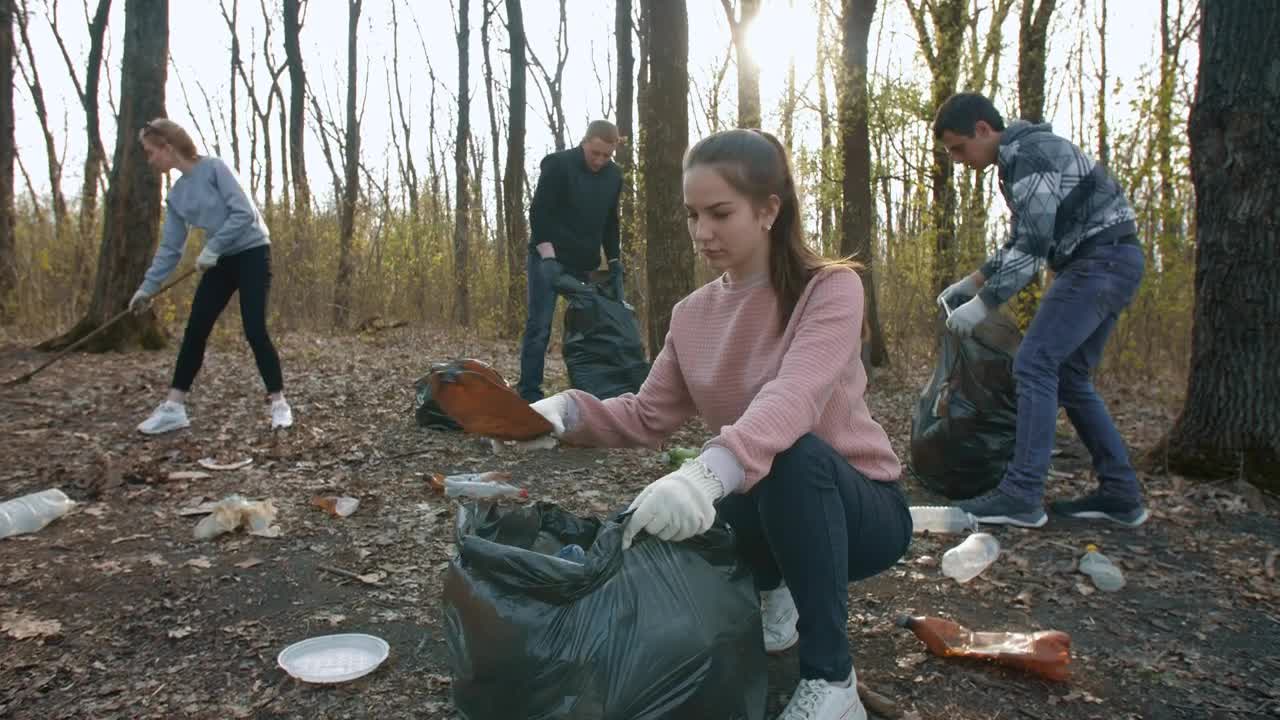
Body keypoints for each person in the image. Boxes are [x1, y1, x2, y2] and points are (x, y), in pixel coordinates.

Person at [527, 129, 910, 720]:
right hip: (764, 504)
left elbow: (796, 394)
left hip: (859, 511)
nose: (702, 231)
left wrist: (707, 474)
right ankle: (775, 591)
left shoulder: (830, 289)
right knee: (650, 527)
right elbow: (647, 414)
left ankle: (833, 681)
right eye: (692, 215)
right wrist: (565, 411)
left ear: (768, 210)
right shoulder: (692, 315)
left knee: (793, 457)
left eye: (720, 213)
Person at [933, 92, 1147, 528]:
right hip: (1114, 261)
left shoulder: (1030, 154)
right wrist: (972, 283)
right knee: (1068, 377)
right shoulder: (1020, 158)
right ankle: (1122, 495)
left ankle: (1022, 494)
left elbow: (1033, 249)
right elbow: (1022, 239)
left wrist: (983, 306)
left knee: (1034, 364)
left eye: (959, 147)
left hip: (1097, 262)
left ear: (983, 129)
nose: (958, 159)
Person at [129, 118, 292, 435]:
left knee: (255, 329)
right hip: (218, 260)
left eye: (151, 152)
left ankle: (279, 403)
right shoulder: (176, 196)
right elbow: (170, 248)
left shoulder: (214, 168)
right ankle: (174, 408)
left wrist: (213, 246)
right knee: (196, 329)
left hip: (252, 252)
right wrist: (146, 288)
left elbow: (245, 213)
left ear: (167, 146)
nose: (149, 159)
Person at [517, 120, 625, 402]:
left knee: (589, 330)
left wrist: (614, 260)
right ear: (585, 142)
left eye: (607, 155)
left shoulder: (614, 176)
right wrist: (548, 258)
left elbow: (610, 223)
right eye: (595, 153)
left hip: (583, 263)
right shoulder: (558, 165)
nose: (600, 160)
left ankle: (588, 395)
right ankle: (529, 394)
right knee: (539, 327)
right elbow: (540, 212)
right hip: (547, 257)